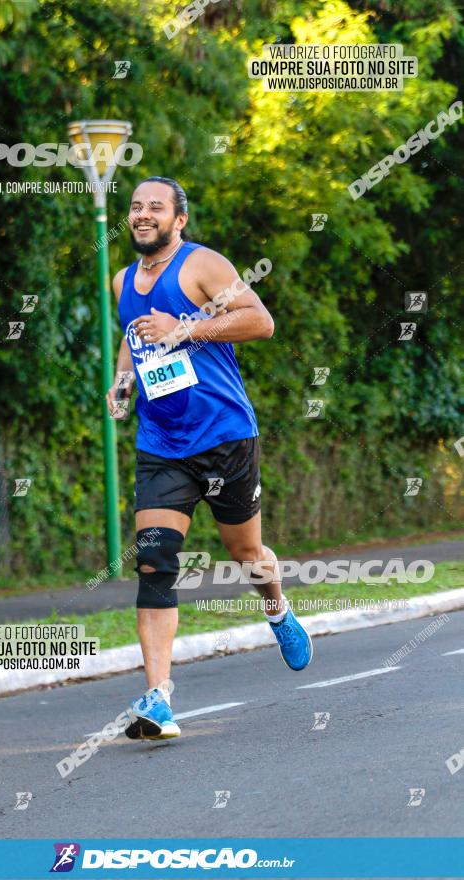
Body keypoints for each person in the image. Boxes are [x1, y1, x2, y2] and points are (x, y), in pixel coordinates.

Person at [106, 176, 312, 741]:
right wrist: (122, 383)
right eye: (136, 207)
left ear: (179, 220)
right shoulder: (122, 278)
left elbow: (260, 321)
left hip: (223, 434)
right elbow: (132, 337)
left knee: (245, 552)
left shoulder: (202, 266)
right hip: (162, 443)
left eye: (156, 207)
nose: (143, 214)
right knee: (154, 561)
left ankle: (276, 610)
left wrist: (185, 328)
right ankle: (159, 699)